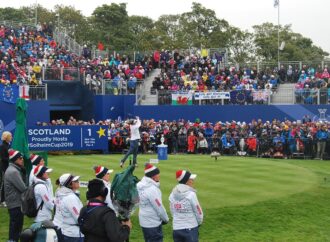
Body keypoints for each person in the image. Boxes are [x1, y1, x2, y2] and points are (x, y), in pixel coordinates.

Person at [137, 163, 169, 242]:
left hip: (144, 221)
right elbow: (159, 207)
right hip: (153, 223)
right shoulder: (152, 189)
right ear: (153, 176)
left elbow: (135, 201)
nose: (159, 176)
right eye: (158, 174)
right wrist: (166, 219)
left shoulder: (138, 185)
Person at [169, 170, 203, 242]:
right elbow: (198, 212)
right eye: (191, 179)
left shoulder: (172, 194)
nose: (193, 181)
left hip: (176, 228)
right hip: (191, 228)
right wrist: (199, 223)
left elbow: (172, 212)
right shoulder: (191, 194)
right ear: (187, 181)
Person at [4, 149, 27, 242]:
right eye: (20, 158)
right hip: (15, 203)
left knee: (15, 227)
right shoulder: (14, 171)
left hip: (14, 202)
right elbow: (23, 188)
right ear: (15, 160)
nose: (22, 160)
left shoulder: (13, 169)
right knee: (16, 227)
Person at [54, 173, 83, 242]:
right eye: (75, 181)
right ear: (69, 184)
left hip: (64, 229)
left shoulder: (59, 192)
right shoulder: (71, 198)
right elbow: (78, 218)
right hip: (73, 234)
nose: (78, 181)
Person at [0, 131, 12, 206]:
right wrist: (11, 159)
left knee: (7, 183)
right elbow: (3, 158)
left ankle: (5, 198)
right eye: (10, 136)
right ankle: (2, 200)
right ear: (6, 137)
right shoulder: (2, 146)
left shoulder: (8, 145)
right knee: (3, 184)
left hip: (8, 167)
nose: (11, 137)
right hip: (3, 167)